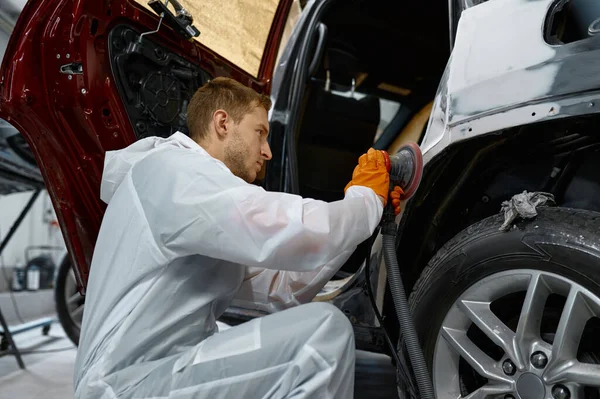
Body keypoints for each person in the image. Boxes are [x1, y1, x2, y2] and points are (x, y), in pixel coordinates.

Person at [73, 77, 401, 398]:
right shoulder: (174, 173)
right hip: (124, 386)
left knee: (298, 336)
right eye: (260, 132)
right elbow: (289, 227)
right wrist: (365, 200)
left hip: (157, 374)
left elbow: (279, 290)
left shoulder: (193, 203)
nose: (267, 151)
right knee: (322, 335)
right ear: (222, 123)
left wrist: (364, 217)